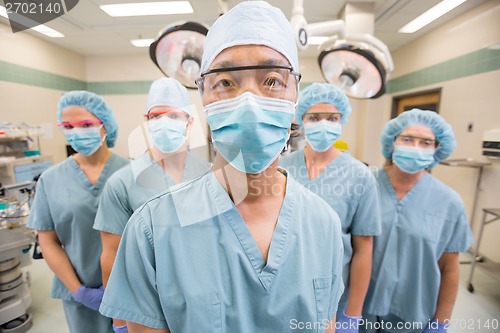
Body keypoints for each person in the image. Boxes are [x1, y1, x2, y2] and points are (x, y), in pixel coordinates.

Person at [100, 1, 344, 332]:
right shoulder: (152, 230)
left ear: (295, 97)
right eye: (226, 81)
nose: (249, 100)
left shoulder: (323, 224)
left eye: (272, 80)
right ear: (203, 96)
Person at [94, 77, 210, 333]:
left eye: (174, 116)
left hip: (204, 296)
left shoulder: (209, 175)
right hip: (145, 302)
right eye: (156, 116)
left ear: (190, 122)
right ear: (146, 122)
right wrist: (120, 321)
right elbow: (111, 257)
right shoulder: (122, 182)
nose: (164, 122)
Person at [279, 83, 381, 333]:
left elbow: (363, 250)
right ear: (301, 119)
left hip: (335, 296)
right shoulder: (281, 168)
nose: (323, 124)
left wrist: (353, 315)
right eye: (314, 117)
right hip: (282, 292)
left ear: (342, 120)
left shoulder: (360, 175)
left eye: (332, 118)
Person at [360, 109, 473, 333]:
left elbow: (450, 268)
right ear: (392, 143)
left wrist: (441, 322)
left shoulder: (448, 202)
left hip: (412, 312)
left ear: (436, 149)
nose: (415, 147)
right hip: (358, 307)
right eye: (407, 139)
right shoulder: (364, 185)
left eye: (425, 142)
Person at [26, 91, 129, 333]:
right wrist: (78, 291)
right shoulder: (50, 180)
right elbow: (48, 241)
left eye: (85, 124)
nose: (76, 132)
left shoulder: (132, 173)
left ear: (105, 125)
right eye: (68, 126)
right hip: (79, 291)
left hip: (130, 289)